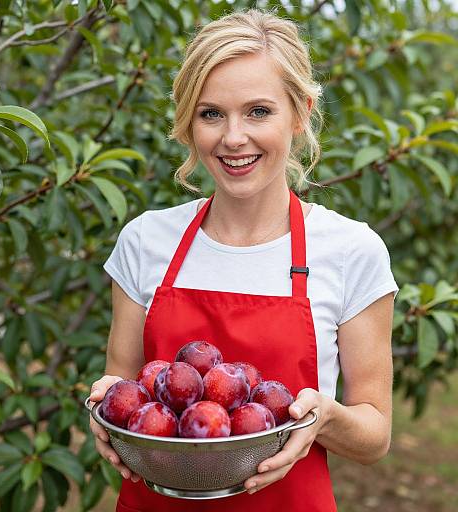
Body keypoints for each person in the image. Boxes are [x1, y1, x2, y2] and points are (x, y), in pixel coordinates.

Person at [88, 8, 399, 512]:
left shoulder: (350, 251)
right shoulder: (146, 240)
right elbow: (124, 384)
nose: (234, 137)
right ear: (189, 122)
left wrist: (323, 416)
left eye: (258, 111)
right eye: (211, 113)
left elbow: (375, 435)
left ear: (300, 113)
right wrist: (105, 408)